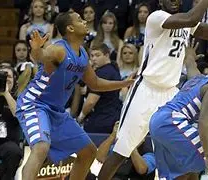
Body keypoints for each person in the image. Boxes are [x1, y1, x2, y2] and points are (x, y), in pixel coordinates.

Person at [98, 0, 208, 178]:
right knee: (121, 152)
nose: (175, 0)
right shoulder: (156, 17)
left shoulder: (187, 24)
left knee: (180, 158)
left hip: (171, 94)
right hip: (146, 90)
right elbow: (191, 18)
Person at [16, 11, 134, 180]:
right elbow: (41, 57)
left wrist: (124, 83)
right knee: (41, 146)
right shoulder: (59, 49)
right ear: (70, 28)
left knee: (88, 152)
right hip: (35, 104)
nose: (84, 21)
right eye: (79, 19)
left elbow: (95, 83)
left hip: (56, 111)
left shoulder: (83, 54)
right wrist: (36, 50)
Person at [149, 55, 208, 180]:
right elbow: (203, 122)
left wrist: (189, 52)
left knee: (184, 173)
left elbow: (190, 64)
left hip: (156, 121)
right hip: (171, 121)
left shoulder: (197, 78)